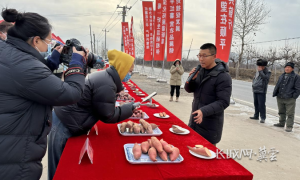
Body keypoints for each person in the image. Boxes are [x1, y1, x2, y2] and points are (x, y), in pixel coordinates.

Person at [0, 8, 88, 180]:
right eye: (48, 41)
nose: (49, 45)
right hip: (15, 156)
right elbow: (71, 93)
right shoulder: (24, 65)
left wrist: (53, 59)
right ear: (36, 40)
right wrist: (77, 63)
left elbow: (31, 81)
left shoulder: (10, 53)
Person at [48, 49, 138, 180]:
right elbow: (108, 115)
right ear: (122, 68)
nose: (130, 74)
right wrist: (129, 109)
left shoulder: (107, 78)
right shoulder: (107, 83)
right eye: (129, 71)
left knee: (61, 165)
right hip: (64, 122)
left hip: (66, 118)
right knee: (59, 168)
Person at [184, 43, 232, 146]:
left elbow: (223, 102)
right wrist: (191, 79)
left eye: (204, 56)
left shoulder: (223, 77)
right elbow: (189, 89)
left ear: (214, 56)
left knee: (206, 156)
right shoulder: (200, 70)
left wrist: (203, 111)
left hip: (210, 125)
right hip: (195, 121)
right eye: (199, 55)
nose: (201, 59)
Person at [273, 62, 300, 132]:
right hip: (280, 97)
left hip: (290, 98)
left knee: (290, 113)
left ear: (292, 69)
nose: (287, 68)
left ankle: (289, 126)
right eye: (286, 67)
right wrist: (276, 93)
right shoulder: (282, 75)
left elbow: (298, 89)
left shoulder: (296, 77)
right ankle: (281, 123)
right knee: (281, 111)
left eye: (289, 67)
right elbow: (277, 85)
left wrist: (294, 96)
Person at [249, 59, 271, 123]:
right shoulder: (257, 71)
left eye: (260, 66)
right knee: (256, 103)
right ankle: (256, 115)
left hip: (262, 90)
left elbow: (265, 78)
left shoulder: (268, 72)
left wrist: (261, 71)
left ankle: (263, 117)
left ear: (263, 66)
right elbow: (255, 78)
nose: (258, 67)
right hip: (255, 89)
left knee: (261, 104)